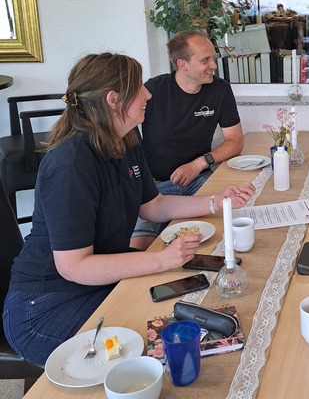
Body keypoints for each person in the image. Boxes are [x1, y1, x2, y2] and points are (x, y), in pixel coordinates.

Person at [1, 53, 255, 367]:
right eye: (139, 88)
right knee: (155, 349)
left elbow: (154, 206)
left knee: (182, 322)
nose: (148, 94)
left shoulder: (126, 140)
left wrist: (217, 202)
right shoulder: (71, 164)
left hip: (96, 284)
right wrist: (160, 259)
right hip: (45, 308)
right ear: (113, 100)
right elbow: (73, 266)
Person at [131, 30, 244, 250]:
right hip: (155, 188)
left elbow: (236, 142)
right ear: (182, 64)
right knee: (139, 248)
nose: (214, 65)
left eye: (213, 57)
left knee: (223, 233)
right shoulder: (153, 91)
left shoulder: (220, 90)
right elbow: (124, 133)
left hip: (200, 181)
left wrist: (199, 164)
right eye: (205, 60)